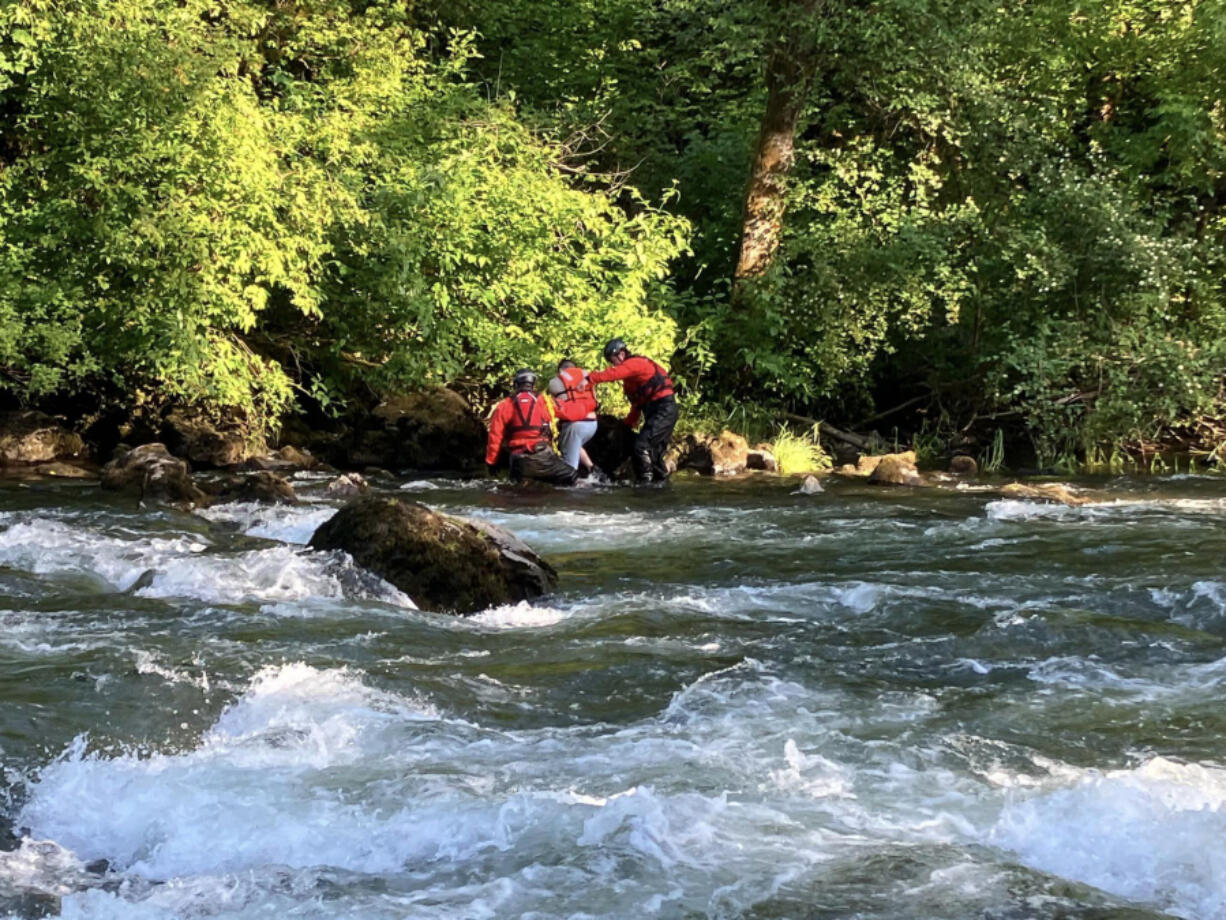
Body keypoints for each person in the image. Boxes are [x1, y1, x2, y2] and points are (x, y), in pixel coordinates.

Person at [588, 338, 677, 483]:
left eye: (613, 359)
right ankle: (660, 483)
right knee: (653, 453)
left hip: (664, 408)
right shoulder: (630, 383)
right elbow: (636, 406)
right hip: (654, 412)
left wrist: (589, 378)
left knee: (642, 446)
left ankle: (646, 485)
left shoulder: (636, 363)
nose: (613, 364)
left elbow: (613, 374)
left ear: (621, 353)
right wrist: (626, 426)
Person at [485, 369, 578, 486]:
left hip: (518, 461)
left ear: (516, 384)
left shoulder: (504, 405)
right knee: (572, 477)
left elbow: (495, 436)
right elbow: (568, 412)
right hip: (543, 457)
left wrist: (491, 462)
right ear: (533, 384)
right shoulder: (545, 401)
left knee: (516, 493)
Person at [546, 359, 599, 473]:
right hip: (592, 423)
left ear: (560, 370)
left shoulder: (554, 382)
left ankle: (572, 487)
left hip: (574, 426)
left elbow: (551, 406)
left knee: (570, 467)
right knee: (575, 445)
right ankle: (594, 471)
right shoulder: (586, 377)